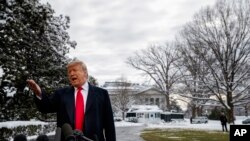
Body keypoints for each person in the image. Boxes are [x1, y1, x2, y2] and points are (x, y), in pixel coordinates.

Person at [27, 60, 116, 141]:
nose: (71, 74)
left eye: (74, 70)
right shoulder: (61, 94)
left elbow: (109, 125)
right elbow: (46, 108)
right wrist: (38, 93)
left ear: (85, 73)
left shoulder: (101, 94)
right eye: (69, 72)